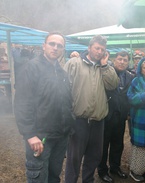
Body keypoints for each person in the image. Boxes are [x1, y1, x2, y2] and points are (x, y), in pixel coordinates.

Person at [14, 32, 74, 182]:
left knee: (54, 177)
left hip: (60, 136)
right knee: (39, 178)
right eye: (52, 44)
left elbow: (66, 101)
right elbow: (22, 103)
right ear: (44, 46)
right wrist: (29, 134)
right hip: (40, 138)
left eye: (59, 46)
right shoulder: (31, 68)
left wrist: (69, 125)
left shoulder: (62, 73)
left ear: (63, 49)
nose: (55, 48)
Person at [64, 35, 119, 183]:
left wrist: (105, 65)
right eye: (97, 48)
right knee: (74, 158)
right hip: (79, 120)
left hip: (98, 121)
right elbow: (63, 89)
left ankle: (88, 180)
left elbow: (113, 85)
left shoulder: (106, 67)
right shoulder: (74, 63)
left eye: (102, 49)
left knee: (94, 156)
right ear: (89, 48)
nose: (99, 51)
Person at [97, 51, 134, 183]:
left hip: (121, 116)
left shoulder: (130, 76)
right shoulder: (106, 71)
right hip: (107, 115)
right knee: (103, 144)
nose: (122, 62)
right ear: (114, 60)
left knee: (118, 144)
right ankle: (102, 170)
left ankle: (115, 167)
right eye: (119, 59)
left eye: (125, 60)